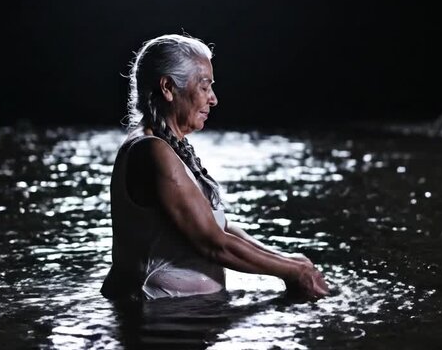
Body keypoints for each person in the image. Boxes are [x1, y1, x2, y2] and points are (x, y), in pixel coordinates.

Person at [101, 34, 329, 301]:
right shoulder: (151, 151)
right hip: (157, 320)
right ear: (167, 87)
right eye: (204, 86)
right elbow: (212, 243)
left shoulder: (168, 144)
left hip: (182, 316)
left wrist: (287, 260)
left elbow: (220, 228)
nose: (213, 99)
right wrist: (292, 271)